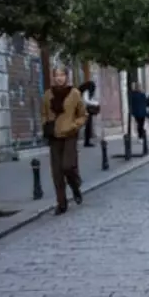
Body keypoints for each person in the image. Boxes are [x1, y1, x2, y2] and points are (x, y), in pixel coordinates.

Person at [41, 68, 89, 215]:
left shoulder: (74, 93)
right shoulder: (48, 95)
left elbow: (83, 114)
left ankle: (75, 186)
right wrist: (46, 125)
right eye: (56, 75)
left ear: (66, 77)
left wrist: (73, 126)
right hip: (54, 136)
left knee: (68, 166)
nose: (59, 78)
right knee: (57, 172)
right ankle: (61, 203)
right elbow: (43, 113)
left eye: (62, 75)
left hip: (69, 135)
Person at [78, 80, 100, 148]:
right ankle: (86, 142)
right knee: (87, 126)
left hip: (85, 110)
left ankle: (87, 141)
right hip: (84, 111)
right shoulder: (86, 91)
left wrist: (95, 102)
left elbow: (89, 100)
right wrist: (96, 103)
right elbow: (86, 101)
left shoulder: (86, 91)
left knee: (88, 126)